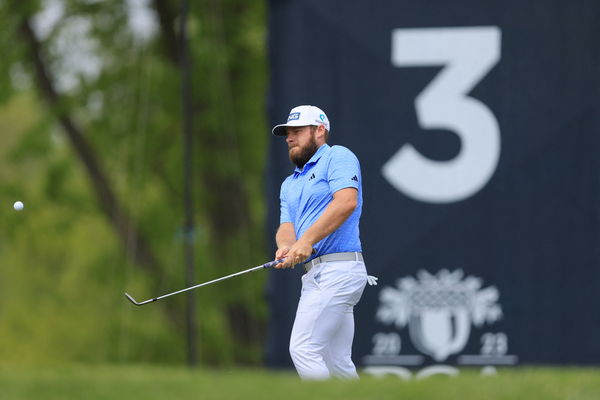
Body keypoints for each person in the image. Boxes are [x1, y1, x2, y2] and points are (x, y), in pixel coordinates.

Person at [272, 105, 369, 380]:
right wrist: (287, 246)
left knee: (303, 348)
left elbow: (346, 203)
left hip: (339, 271)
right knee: (336, 361)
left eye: (298, 131)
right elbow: (287, 227)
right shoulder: (289, 183)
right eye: (287, 133)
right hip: (316, 275)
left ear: (319, 130)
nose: (290, 137)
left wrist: (307, 241)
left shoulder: (338, 157)